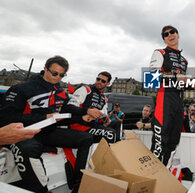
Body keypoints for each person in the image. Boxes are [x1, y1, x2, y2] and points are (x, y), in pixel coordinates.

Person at [0, 56, 100, 193]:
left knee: (86, 138)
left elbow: (63, 116)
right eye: (54, 73)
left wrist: (82, 118)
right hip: (25, 133)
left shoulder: (61, 93)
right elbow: (7, 118)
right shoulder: (20, 89)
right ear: (45, 69)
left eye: (62, 75)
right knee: (30, 148)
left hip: (48, 132)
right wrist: (44, 117)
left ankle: (79, 182)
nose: (58, 77)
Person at [149, 25, 188, 167]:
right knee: (160, 143)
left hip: (179, 103)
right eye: (165, 34)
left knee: (172, 143)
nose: (169, 35)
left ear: (178, 34)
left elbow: (181, 83)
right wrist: (175, 77)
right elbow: (151, 79)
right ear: (164, 39)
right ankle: (152, 181)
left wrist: (190, 83)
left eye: (172, 32)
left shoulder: (184, 60)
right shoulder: (160, 53)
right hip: (164, 101)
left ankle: (165, 178)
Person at [69, 72, 119, 143]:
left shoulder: (104, 98)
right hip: (78, 124)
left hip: (92, 125)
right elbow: (70, 107)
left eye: (103, 81)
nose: (99, 82)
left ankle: (117, 151)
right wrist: (87, 111)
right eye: (98, 79)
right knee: (110, 134)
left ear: (108, 84)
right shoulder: (85, 89)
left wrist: (104, 119)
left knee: (116, 124)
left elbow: (103, 113)